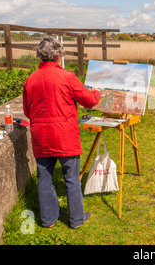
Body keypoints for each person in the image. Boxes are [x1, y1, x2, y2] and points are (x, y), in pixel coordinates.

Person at [23, 36, 101, 229]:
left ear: (40, 56)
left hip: (41, 136)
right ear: (58, 55)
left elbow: (27, 111)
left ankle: (48, 219)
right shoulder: (67, 77)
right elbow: (89, 100)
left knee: (44, 178)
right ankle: (76, 219)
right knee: (71, 178)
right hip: (65, 136)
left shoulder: (30, 79)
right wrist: (97, 92)